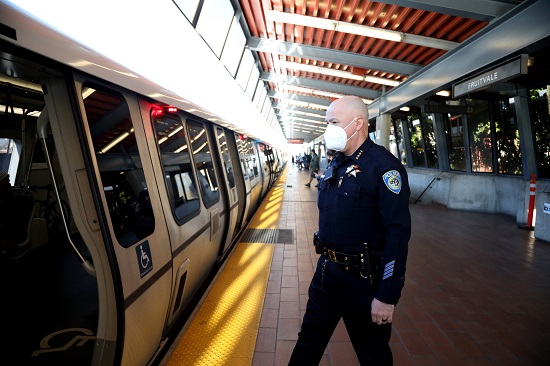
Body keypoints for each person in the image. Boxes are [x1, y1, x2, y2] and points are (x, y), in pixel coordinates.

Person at [289, 96, 411, 365]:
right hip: (326, 274)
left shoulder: (385, 168)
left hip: (364, 282)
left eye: (334, 122)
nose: (328, 129)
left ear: (358, 124)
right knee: (307, 343)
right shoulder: (337, 163)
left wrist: (386, 295)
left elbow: (397, 233)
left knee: (373, 354)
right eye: (327, 122)